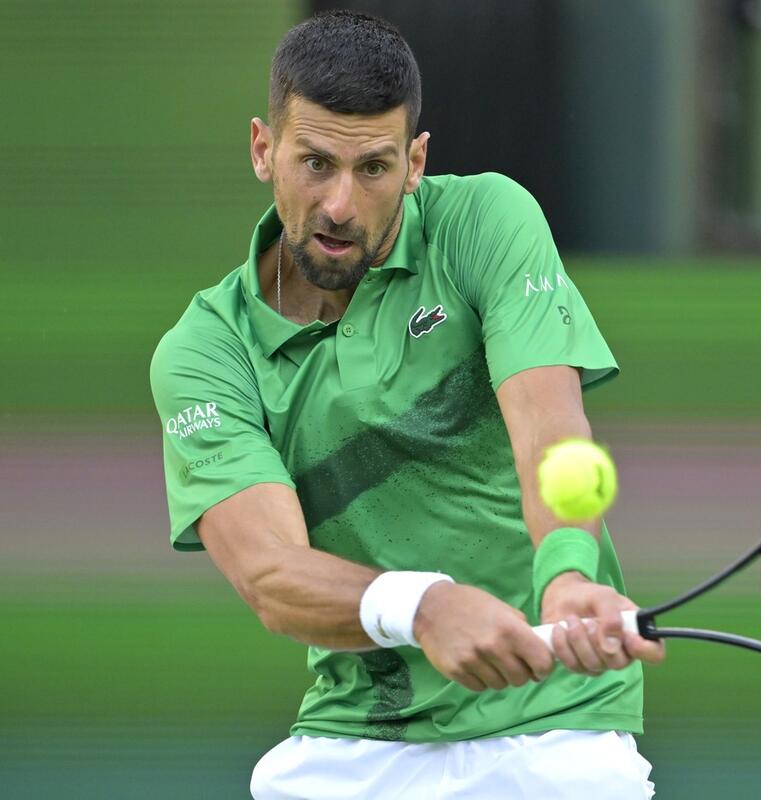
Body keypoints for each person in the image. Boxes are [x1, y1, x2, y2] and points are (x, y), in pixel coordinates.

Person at [149, 10, 664, 799]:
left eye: (374, 168)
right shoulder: (206, 353)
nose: (340, 204)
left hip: (553, 725)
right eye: (315, 163)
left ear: (415, 162)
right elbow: (270, 573)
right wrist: (422, 606)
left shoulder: (483, 222)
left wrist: (565, 573)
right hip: (360, 733)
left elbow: (550, 432)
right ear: (262, 149)